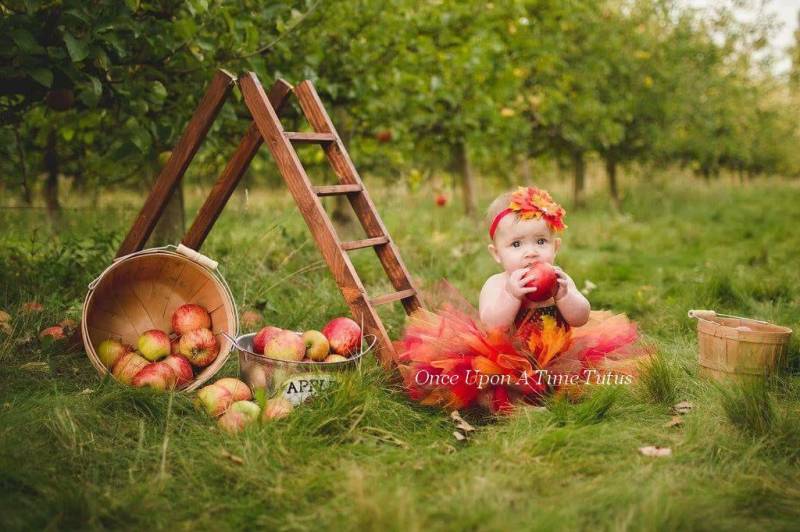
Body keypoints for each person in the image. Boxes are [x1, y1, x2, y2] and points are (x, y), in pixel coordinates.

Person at [394, 186, 650, 414]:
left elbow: (580, 317)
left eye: (540, 241)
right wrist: (512, 295)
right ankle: (515, 405)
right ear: (497, 254)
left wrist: (566, 295)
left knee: (584, 378)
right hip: (510, 360)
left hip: (559, 357)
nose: (530, 252)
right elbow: (493, 324)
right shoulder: (498, 284)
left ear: (555, 247)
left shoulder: (559, 281)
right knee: (490, 383)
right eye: (516, 245)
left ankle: (557, 393)